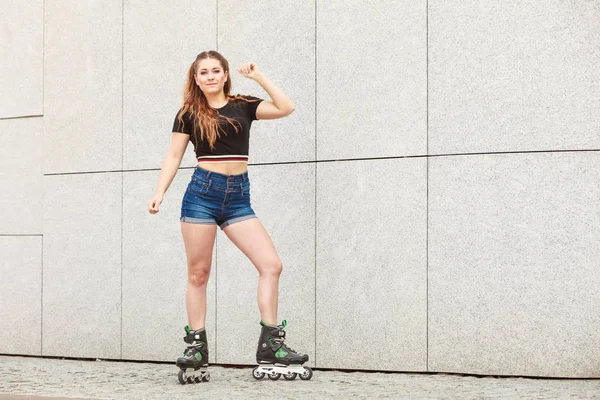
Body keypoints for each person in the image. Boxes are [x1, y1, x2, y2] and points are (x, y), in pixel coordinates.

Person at [147, 50, 312, 383]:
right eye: (203, 72)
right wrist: (160, 192)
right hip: (201, 195)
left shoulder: (243, 104)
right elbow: (174, 154)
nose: (209, 76)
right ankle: (196, 345)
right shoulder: (188, 113)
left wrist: (259, 76)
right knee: (199, 273)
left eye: (215, 71)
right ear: (195, 79)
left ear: (225, 75)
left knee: (271, 265)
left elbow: (286, 107)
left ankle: (271, 345)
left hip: (238, 197)